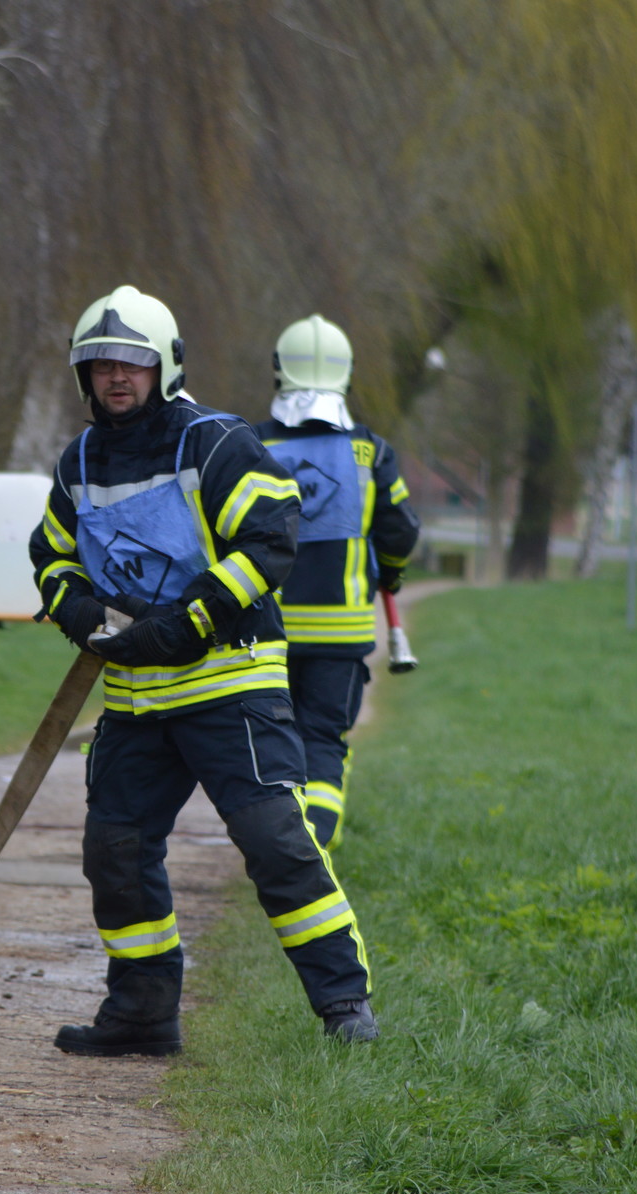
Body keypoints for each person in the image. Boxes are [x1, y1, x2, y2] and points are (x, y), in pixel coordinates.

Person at [28, 285, 377, 1051]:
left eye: (132, 364)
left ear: (166, 368)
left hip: (229, 686)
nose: (116, 378)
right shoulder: (78, 462)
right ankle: (143, 1016)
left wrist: (194, 619)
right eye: (100, 365)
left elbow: (269, 537)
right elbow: (51, 556)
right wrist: (78, 610)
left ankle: (346, 1009)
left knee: (277, 844)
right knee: (115, 854)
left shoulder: (215, 442)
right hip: (135, 699)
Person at [255, 315, 420, 851]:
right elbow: (400, 529)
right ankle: (316, 848)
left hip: (266, 635)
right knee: (323, 740)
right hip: (341, 637)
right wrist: (390, 569)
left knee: (274, 743)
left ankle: (282, 841)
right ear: (346, 375)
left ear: (280, 371)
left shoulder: (252, 447)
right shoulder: (370, 452)